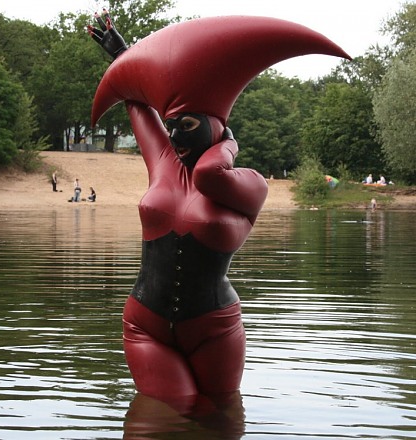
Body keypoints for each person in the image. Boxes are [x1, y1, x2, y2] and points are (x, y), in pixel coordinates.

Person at [88, 10, 350, 404]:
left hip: (215, 331)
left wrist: (227, 145)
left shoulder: (250, 186)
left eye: (187, 125)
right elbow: (137, 103)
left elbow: (210, 176)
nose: (174, 135)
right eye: (171, 124)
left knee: (220, 421)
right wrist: (123, 55)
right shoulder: (163, 162)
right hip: (145, 325)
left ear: (217, 126)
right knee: (163, 419)